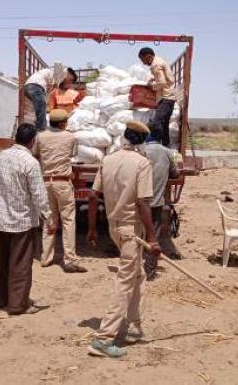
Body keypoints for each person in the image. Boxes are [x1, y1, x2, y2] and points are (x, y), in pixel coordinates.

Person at [88, 121, 160, 358]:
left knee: (138, 275)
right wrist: (153, 238)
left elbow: (92, 195)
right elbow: (143, 203)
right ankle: (103, 338)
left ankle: (135, 326)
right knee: (125, 282)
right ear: (142, 141)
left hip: (113, 227)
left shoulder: (108, 160)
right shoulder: (142, 163)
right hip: (131, 231)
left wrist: (91, 228)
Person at [0, 123, 55, 315]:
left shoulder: (0, 157)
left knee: (5, 261)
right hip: (23, 221)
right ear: (32, 141)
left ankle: (2, 298)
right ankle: (18, 304)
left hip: (4, 219)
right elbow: (39, 195)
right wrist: (49, 219)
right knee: (21, 264)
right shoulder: (30, 163)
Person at [33, 109, 86, 274]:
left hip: (46, 182)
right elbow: (73, 154)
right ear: (63, 123)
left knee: (49, 219)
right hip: (62, 183)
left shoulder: (40, 137)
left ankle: (46, 257)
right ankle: (70, 259)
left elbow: (35, 154)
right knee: (68, 220)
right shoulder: (71, 137)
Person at [141, 123, 181, 280]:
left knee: (138, 234)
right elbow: (175, 174)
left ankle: (134, 268)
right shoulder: (167, 152)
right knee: (153, 236)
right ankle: (150, 271)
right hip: (156, 203)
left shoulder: (140, 151)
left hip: (138, 202)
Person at [138, 47, 176, 147]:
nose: (143, 63)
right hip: (169, 98)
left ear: (148, 57)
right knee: (164, 125)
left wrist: (151, 86)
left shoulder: (155, 65)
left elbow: (162, 83)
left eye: (143, 60)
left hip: (165, 98)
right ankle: (165, 147)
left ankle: (152, 144)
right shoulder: (160, 61)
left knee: (157, 122)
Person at [24, 62, 66, 131]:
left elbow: (49, 90)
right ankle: (41, 128)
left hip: (28, 87)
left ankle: (36, 125)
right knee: (41, 107)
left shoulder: (46, 74)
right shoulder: (51, 74)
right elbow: (58, 64)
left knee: (38, 107)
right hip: (35, 86)